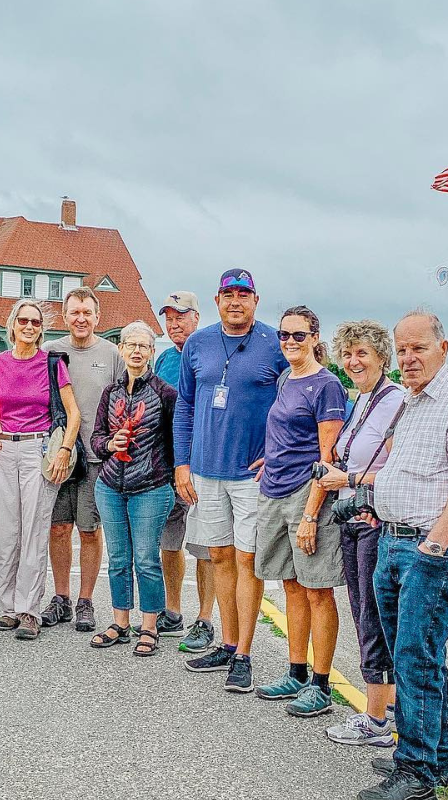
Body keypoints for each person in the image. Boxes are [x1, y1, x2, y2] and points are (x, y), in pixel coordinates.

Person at [356, 309, 448, 800]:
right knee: (413, 657)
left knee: (417, 657)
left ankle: (414, 770)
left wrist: (434, 546)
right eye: (402, 349)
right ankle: (437, 760)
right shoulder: (410, 402)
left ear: (443, 347)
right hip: (394, 542)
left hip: (433, 550)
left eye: (418, 348)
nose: (408, 358)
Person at [175, 268, 287, 693]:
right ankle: (226, 640)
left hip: (252, 475)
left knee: (247, 559)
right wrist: (182, 464)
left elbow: (294, 402)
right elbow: (185, 404)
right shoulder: (198, 344)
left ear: (256, 300)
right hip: (205, 471)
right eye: (228, 294)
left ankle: (244, 653)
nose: (236, 301)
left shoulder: (275, 344)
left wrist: (276, 454)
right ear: (217, 300)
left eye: (244, 294)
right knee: (219, 556)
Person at [253, 307, 347, 717]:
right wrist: (269, 459)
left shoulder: (328, 386)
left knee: (317, 590)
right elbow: (286, 433)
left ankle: (322, 685)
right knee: (291, 586)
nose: (290, 342)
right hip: (274, 489)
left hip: (306, 497)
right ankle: (295, 671)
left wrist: (311, 514)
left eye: (298, 335)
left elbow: (328, 459)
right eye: (284, 335)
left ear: (314, 337)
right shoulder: (285, 378)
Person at [316, 320, 404, 746]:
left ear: (382, 358)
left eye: (362, 354)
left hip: (374, 520)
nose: (353, 362)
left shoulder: (395, 402)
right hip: (353, 518)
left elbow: (396, 469)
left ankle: (378, 721)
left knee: (375, 617)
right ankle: (382, 714)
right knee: (364, 614)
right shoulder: (361, 399)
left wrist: (346, 479)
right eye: (348, 355)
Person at [0, 299, 80, 641]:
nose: (29, 326)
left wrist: (64, 451)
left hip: (39, 449)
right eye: (23, 321)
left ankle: (29, 611)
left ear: (41, 329)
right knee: (7, 532)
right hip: (3, 449)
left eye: (35, 322)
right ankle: (7, 607)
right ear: (11, 325)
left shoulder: (52, 364)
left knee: (35, 532)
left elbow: (74, 414)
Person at [88, 322, 177, 657]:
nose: (136, 351)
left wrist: (169, 476)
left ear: (151, 352)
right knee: (119, 558)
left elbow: (176, 442)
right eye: (131, 345)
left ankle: (150, 626)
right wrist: (110, 443)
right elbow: (96, 440)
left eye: (143, 346)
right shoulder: (110, 393)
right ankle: (120, 622)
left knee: (146, 559)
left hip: (150, 487)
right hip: (110, 485)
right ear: (121, 349)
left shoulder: (165, 393)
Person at [40, 287, 126, 633]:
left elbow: (124, 402)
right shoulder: (49, 352)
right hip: (58, 454)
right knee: (58, 528)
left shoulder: (111, 354)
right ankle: (60, 597)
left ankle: (85, 600)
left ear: (97, 317)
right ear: (65, 316)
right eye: (74, 312)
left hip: (95, 457)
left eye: (87, 312)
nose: (81, 318)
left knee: (89, 531)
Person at [155, 290, 217, 652]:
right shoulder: (163, 359)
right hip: (168, 465)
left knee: (206, 546)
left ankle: (205, 619)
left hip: (205, 464)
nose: (174, 323)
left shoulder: (209, 354)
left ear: (196, 317)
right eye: (169, 317)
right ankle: (173, 610)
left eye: (181, 316)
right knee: (170, 541)